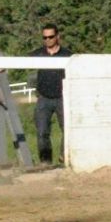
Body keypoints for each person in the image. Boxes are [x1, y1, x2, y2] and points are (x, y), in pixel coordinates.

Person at [29, 23, 72, 164]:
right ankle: (46, 162)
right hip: (44, 98)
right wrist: (3, 68)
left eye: (51, 37)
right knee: (42, 132)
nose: (47, 40)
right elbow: (20, 63)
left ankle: (64, 156)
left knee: (68, 129)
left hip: (63, 98)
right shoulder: (38, 54)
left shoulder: (68, 55)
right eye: (45, 37)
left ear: (57, 36)